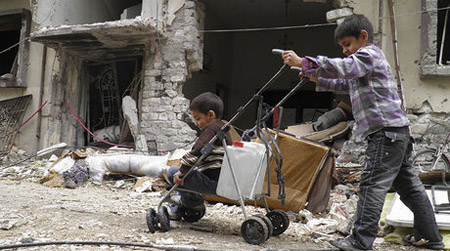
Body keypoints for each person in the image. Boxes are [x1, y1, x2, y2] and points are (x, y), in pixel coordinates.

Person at [282, 14, 443, 251]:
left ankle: (359, 241)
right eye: (343, 47)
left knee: (371, 185)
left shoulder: (368, 55)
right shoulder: (363, 66)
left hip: (385, 134)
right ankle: (431, 237)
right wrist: (315, 75)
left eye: (347, 44)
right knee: (409, 187)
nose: (346, 51)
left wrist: (305, 62)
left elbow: (345, 67)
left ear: (363, 37)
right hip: (396, 133)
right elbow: (344, 83)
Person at [167, 92, 231, 219]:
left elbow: (198, 150)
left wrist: (182, 170)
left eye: (197, 118)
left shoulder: (211, 129)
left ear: (211, 115)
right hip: (223, 182)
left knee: (173, 171)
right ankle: (189, 204)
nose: (196, 123)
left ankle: (192, 203)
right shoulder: (223, 129)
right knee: (190, 173)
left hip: (213, 184)